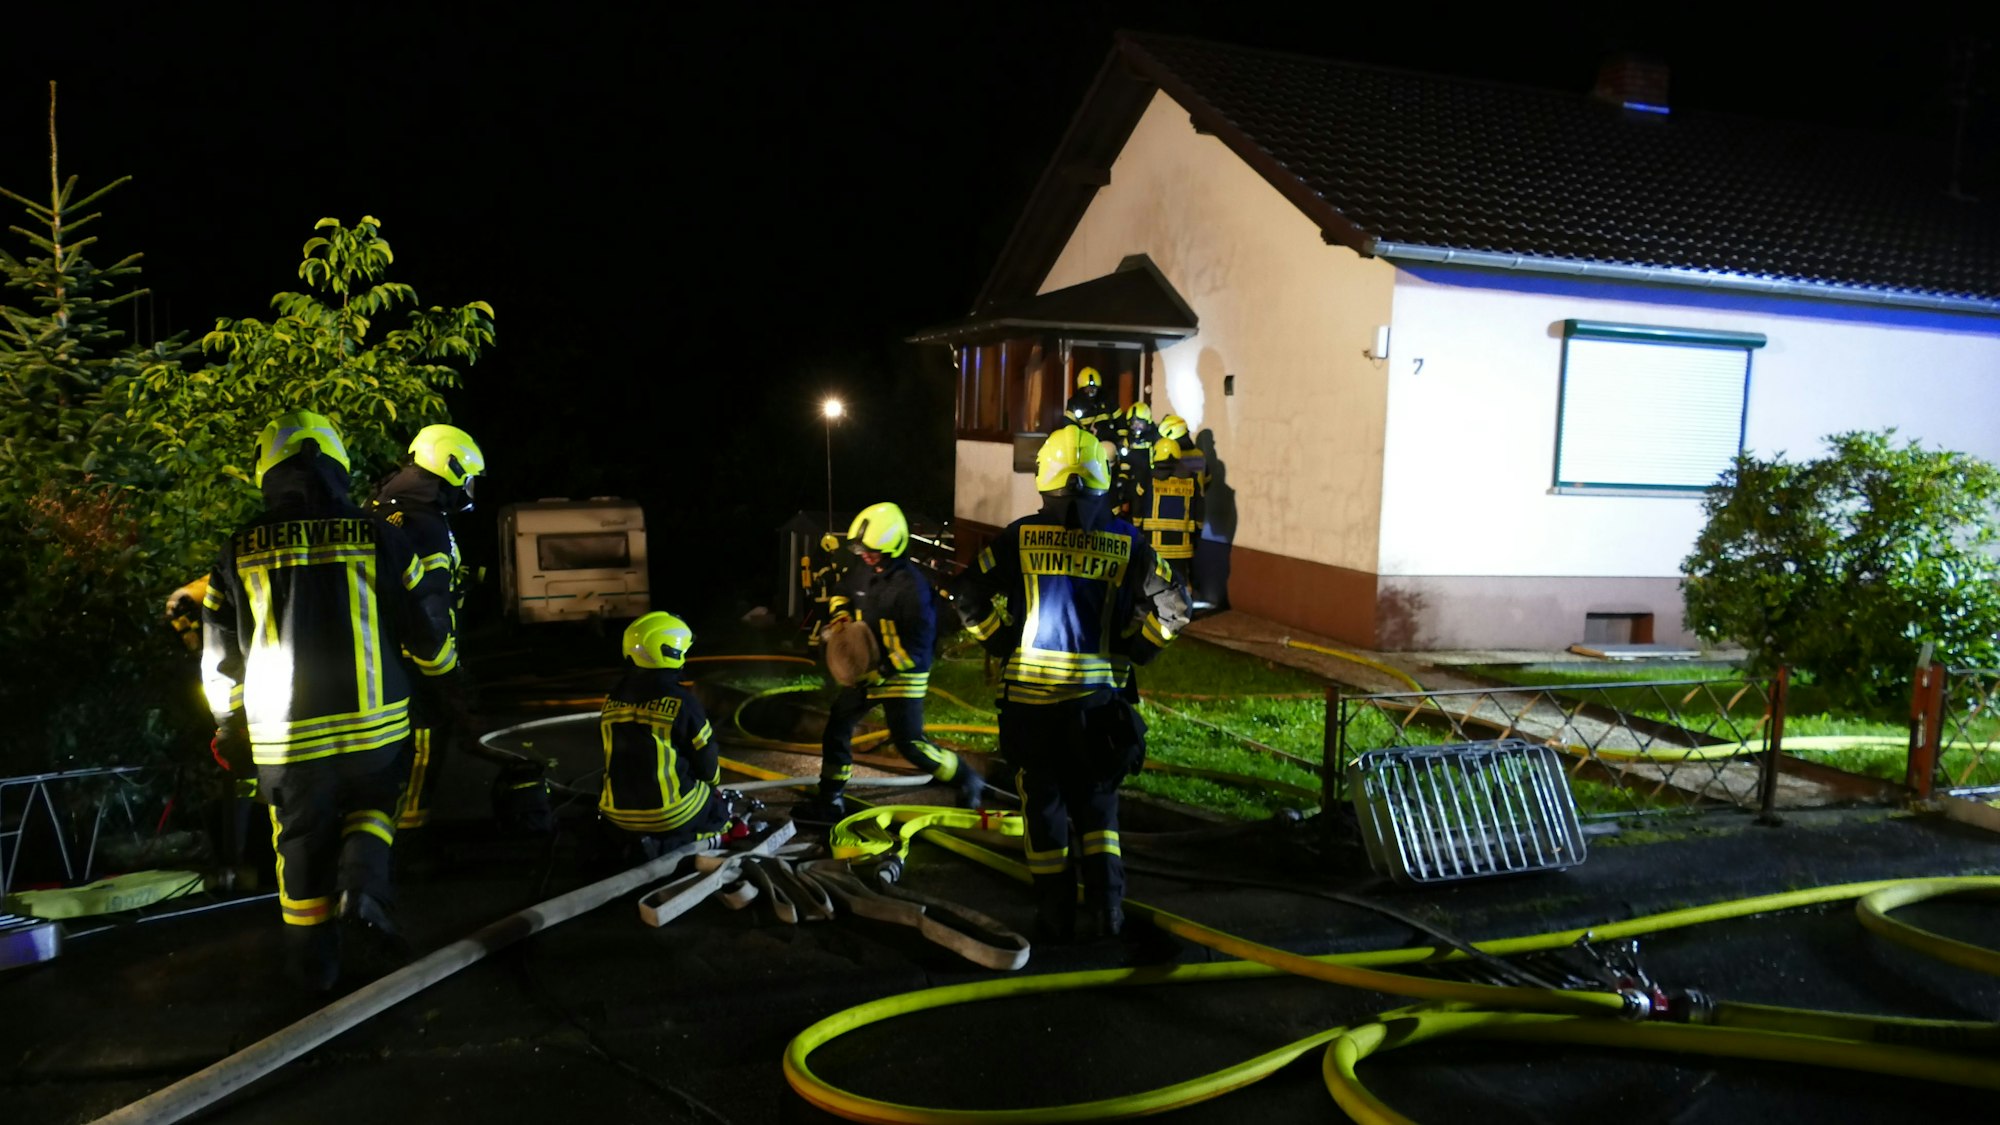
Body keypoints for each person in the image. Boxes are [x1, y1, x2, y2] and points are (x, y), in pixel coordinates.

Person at [202, 411, 463, 990]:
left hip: (284, 738)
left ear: (267, 472)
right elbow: (424, 626)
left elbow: (220, 659)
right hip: (376, 730)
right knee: (375, 802)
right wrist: (444, 682)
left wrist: (228, 726)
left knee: (298, 844)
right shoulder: (382, 535)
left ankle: (311, 972)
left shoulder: (237, 549)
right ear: (341, 467)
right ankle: (364, 889)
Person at [954, 425, 1188, 943]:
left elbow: (966, 595)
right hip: (1099, 708)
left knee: (1044, 808)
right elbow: (1176, 606)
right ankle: (1107, 912)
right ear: (1102, 481)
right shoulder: (1130, 544)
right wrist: (1139, 648)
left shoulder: (1018, 538)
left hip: (1030, 710)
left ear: (1046, 480)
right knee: (1099, 807)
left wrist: (999, 640)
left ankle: (1054, 916)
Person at [796, 502, 985, 822]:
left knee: (909, 743)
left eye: (872, 551)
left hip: (903, 674)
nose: (866, 556)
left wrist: (882, 672)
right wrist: (841, 617)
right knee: (838, 725)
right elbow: (842, 591)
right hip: (866, 670)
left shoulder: (912, 589)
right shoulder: (864, 568)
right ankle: (830, 799)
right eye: (862, 549)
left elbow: (917, 646)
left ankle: (966, 778)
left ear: (894, 546)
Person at [368, 423, 486, 835]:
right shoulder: (427, 523)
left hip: (377, 657)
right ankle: (412, 835)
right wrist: (448, 679)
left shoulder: (380, 510)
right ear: (450, 467)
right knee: (425, 743)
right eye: (467, 479)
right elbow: (429, 610)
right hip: (418, 663)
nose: (468, 490)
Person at [596, 611, 734, 859]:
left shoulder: (612, 700)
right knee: (719, 812)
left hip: (616, 814)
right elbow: (707, 762)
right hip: (671, 813)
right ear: (672, 651)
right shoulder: (682, 703)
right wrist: (712, 788)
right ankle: (674, 845)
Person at [1141, 437, 1203, 593]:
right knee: (1181, 580)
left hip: (1154, 543)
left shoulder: (1149, 477)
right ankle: (1184, 611)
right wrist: (1198, 531)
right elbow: (1199, 508)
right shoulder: (1190, 478)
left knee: (1156, 580)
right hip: (1182, 545)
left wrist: (1136, 526)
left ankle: (1158, 611)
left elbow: (1138, 504)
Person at [1108, 402, 1158, 518]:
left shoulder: (1153, 439)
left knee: (1139, 502)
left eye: (1139, 423)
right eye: (1133, 423)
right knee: (1116, 491)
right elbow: (1125, 463)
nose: (1136, 427)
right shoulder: (1128, 441)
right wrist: (1122, 480)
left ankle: (1138, 527)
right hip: (1131, 477)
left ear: (1147, 422)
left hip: (1149, 479)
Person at [1064, 366, 1112, 431]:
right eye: (1088, 388)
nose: (1091, 391)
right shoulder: (1073, 404)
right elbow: (1068, 426)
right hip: (1083, 439)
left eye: (1094, 388)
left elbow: (1120, 423)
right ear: (1082, 389)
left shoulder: (1107, 400)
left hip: (1105, 439)